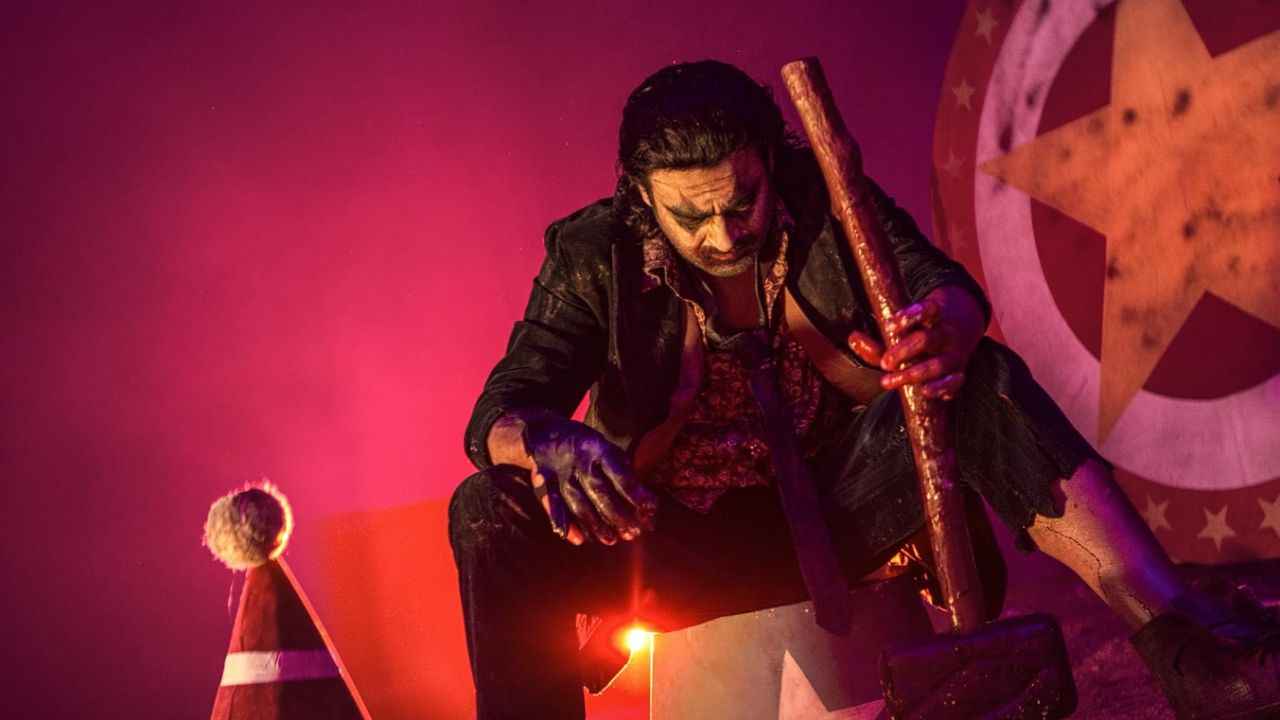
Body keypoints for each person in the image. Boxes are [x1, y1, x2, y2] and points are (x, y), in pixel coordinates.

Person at [448, 60, 1279, 720]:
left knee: (984, 379)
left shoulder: (828, 199)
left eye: (742, 203)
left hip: (841, 520)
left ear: (771, 163)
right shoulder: (592, 255)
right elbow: (500, 410)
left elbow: (943, 289)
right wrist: (548, 438)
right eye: (689, 217)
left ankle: (1188, 646)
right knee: (486, 508)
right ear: (640, 197)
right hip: (665, 546)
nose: (722, 235)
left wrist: (942, 333)